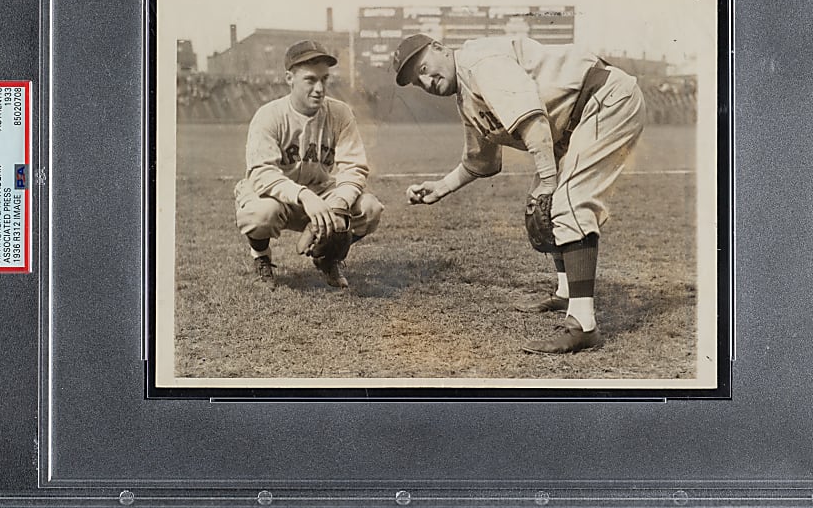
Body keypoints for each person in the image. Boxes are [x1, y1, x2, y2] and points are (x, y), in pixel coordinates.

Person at [392, 33, 645, 353]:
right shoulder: (467, 96)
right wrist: (441, 188)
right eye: (418, 81)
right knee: (542, 206)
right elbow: (482, 162)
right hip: (574, 122)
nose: (426, 80)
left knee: (566, 203)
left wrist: (550, 185)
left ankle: (583, 325)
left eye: (424, 67)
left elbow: (533, 122)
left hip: (604, 98)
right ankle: (567, 291)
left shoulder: (480, 62)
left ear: (440, 49)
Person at [235, 40, 383, 290]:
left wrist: (338, 206)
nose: (319, 88)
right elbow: (262, 173)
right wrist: (303, 196)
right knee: (261, 215)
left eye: (324, 79)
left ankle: (328, 257)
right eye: (310, 79)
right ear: (289, 78)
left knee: (370, 209)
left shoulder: (340, 113)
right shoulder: (269, 115)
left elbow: (354, 168)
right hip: (277, 197)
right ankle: (260, 256)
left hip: (322, 193)